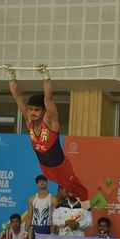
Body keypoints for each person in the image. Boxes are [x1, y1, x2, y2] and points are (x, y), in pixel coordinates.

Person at [7, 64, 88, 201]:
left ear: (44, 111)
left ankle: (86, 207)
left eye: (36, 110)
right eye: (31, 109)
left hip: (61, 167)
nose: (32, 113)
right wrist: (11, 75)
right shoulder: (29, 121)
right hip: (46, 169)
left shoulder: (50, 122)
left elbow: (48, 98)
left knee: (78, 191)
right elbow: (18, 97)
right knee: (63, 194)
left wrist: (45, 76)